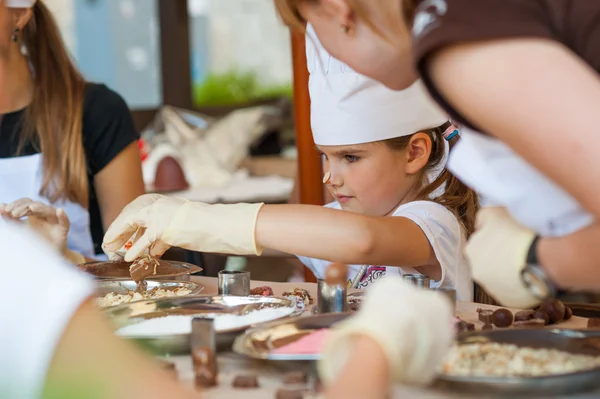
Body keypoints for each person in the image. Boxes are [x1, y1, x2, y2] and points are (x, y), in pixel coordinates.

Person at [102, 27, 477, 300]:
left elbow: (362, 241)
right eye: (324, 157)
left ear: (415, 153)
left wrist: (194, 218)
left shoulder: (436, 223)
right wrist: (182, 230)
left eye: (350, 157)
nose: (331, 176)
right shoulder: (352, 218)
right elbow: (292, 236)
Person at [272, 0, 600, 307]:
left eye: (313, 31)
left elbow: (363, 240)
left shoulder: (457, 46)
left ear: (340, 12)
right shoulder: (470, 24)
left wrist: (534, 260)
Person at [0, 0, 144, 264]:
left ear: (18, 14)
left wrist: (66, 256)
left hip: (88, 303)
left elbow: (137, 261)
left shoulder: (98, 112)